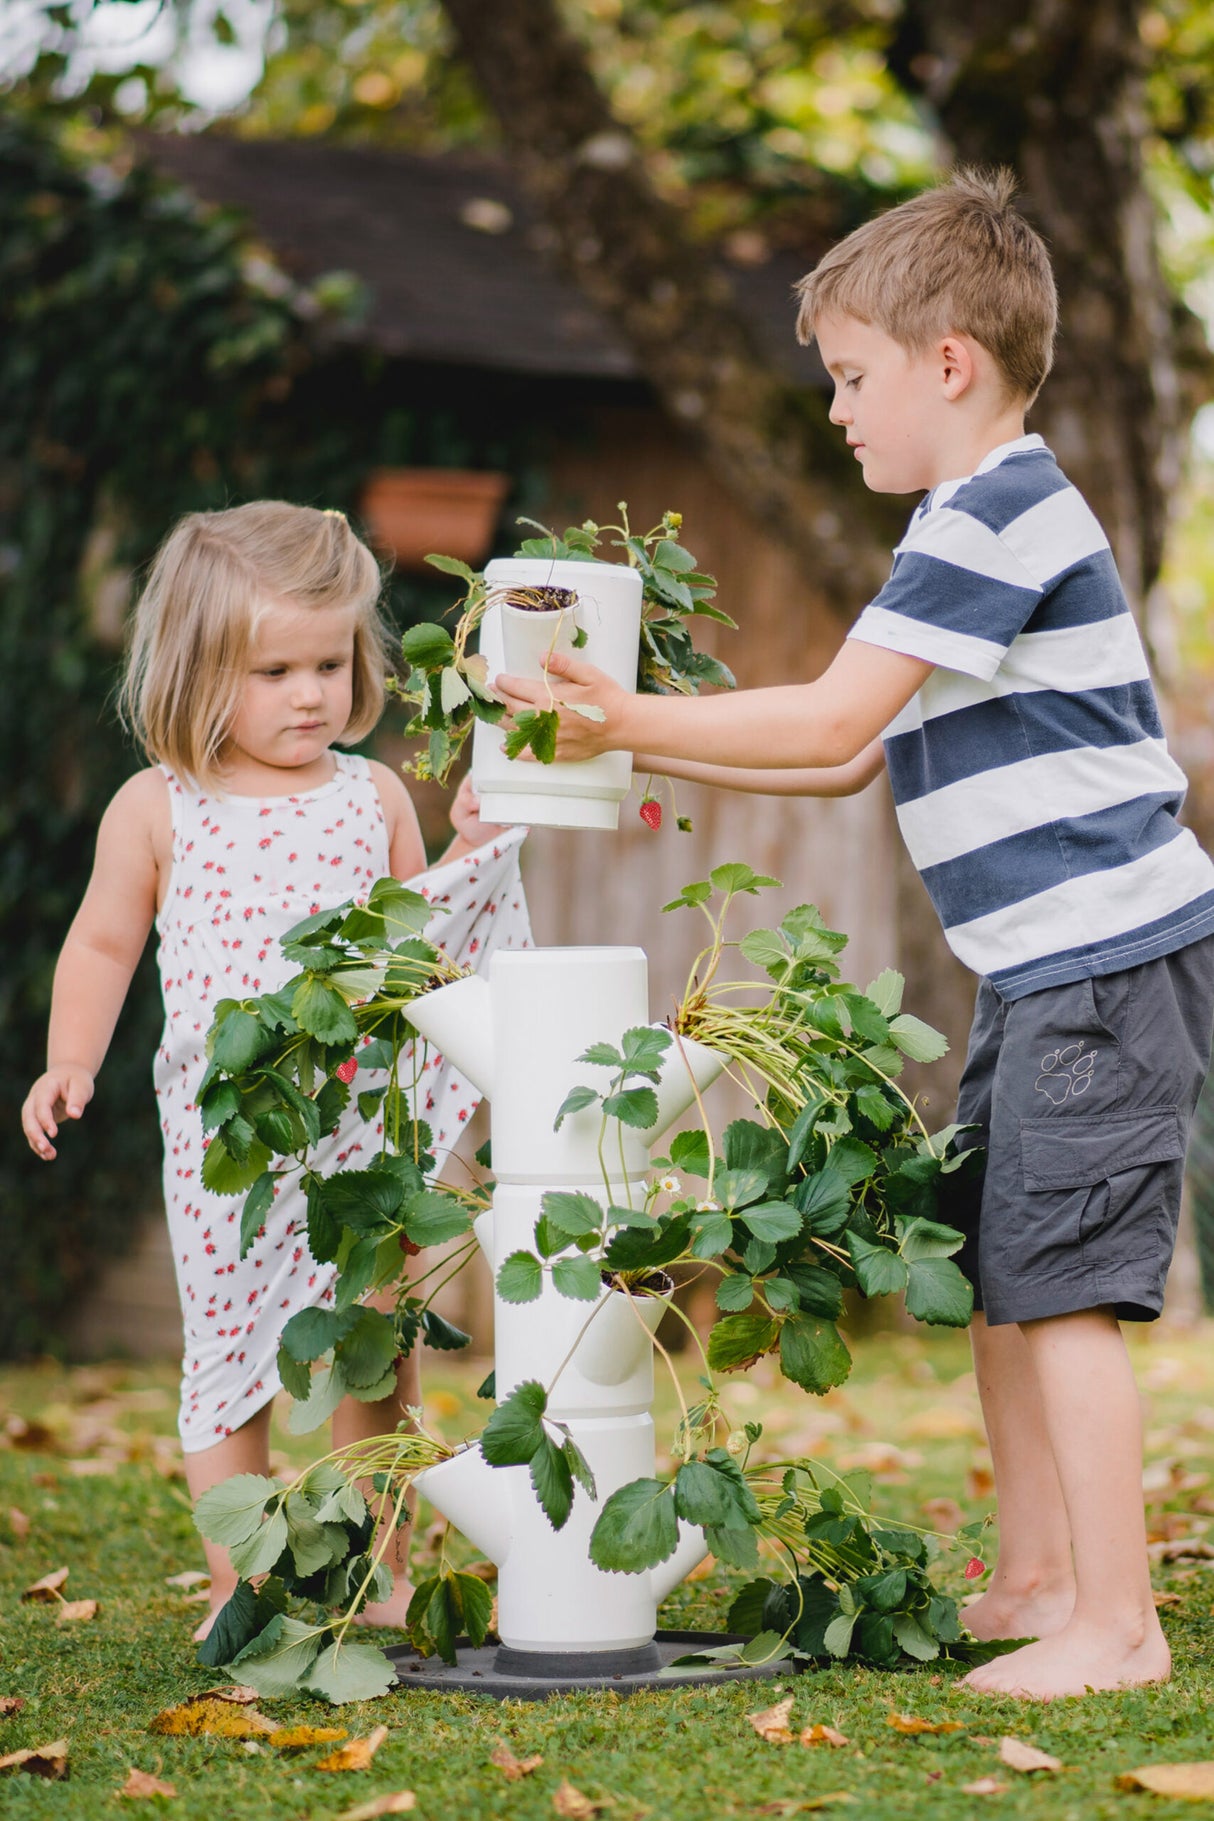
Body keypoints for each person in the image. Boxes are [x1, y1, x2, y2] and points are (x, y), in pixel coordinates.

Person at [495, 170, 1214, 1700]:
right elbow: (840, 753)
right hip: (1044, 960)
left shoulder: (1000, 509)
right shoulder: (962, 523)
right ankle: (1035, 1578)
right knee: (1005, 1268)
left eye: (848, 377)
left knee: (1065, 1285)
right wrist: (632, 748)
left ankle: (1118, 1622)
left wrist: (620, 709)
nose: (833, 412)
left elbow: (828, 714)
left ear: (947, 361)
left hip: (1103, 955)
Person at [21, 501, 530, 1637]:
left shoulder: (373, 795)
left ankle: (381, 1572)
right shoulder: (159, 806)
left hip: (361, 1137)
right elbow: (103, 942)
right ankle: (236, 1583)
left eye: (330, 663)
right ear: (199, 674)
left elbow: (418, 939)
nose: (311, 694)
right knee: (227, 1356)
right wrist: (69, 1060)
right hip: (231, 1142)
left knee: (372, 1343)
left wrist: (469, 853)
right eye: (273, 671)